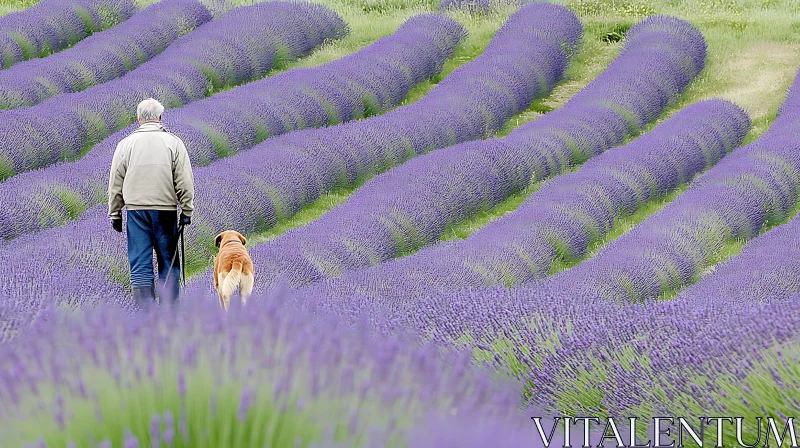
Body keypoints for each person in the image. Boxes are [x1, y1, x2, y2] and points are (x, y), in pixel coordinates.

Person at [108, 98, 194, 309]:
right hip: (165, 211)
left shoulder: (125, 144)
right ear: (160, 117)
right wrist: (187, 209)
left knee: (140, 263)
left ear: (138, 119)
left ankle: (145, 313)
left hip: (136, 212)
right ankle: (170, 312)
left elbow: (115, 181)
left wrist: (115, 213)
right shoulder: (173, 142)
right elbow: (184, 180)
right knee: (169, 261)